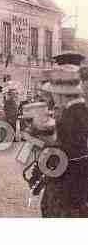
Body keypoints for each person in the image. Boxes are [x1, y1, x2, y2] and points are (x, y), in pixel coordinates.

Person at [40, 64, 88, 217]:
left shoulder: (69, 116)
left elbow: (67, 156)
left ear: (60, 93)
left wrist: (44, 142)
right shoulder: (80, 110)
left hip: (69, 190)